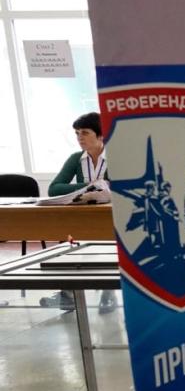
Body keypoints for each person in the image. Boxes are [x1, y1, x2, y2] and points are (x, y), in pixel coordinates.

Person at [41, 112, 117, 313]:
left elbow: (117, 188)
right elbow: (54, 188)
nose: (80, 138)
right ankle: (68, 296)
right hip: (82, 216)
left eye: (85, 132)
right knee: (69, 244)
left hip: (111, 218)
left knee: (103, 245)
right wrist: (91, 185)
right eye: (76, 133)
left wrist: (88, 188)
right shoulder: (76, 159)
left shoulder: (116, 155)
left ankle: (108, 293)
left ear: (101, 135)